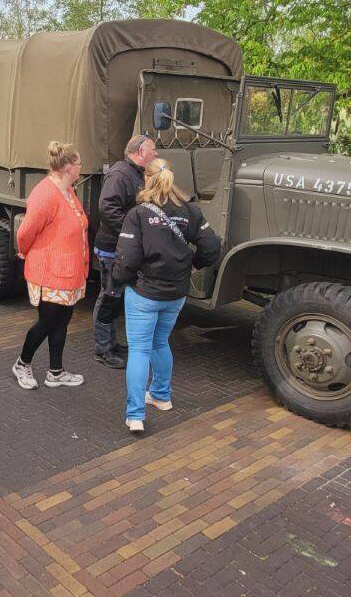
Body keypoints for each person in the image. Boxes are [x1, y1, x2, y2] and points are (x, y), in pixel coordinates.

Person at [110, 159, 221, 434]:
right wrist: (192, 265)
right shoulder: (191, 211)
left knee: (139, 350)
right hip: (177, 293)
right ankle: (161, 397)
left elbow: (127, 259)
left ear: (147, 180)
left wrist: (118, 281)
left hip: (144, 293)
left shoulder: (137, 214)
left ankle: (135, 415)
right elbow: (212, 246)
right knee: (161, 343)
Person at [12, 142, 90, 390]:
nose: (81, 168)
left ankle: (55, 372)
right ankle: (22, 364)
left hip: (69, 272)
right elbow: (25, 233)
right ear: (68, 167)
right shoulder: (45, 194)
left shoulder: (68, 191)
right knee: (47, 322)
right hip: (50, 272)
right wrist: (25, 252)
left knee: (62, 321)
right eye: (79, 164)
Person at [92, 134, 158, 369]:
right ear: (140, 152)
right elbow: (106, 208)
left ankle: (111, 342)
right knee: (108, 297)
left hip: (122, 248)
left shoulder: (136, 173)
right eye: (153, 150)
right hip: (112, 249)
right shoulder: (120, 174)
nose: (156, 154)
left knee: (116, 296)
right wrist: (132, 232)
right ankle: (102, 349)